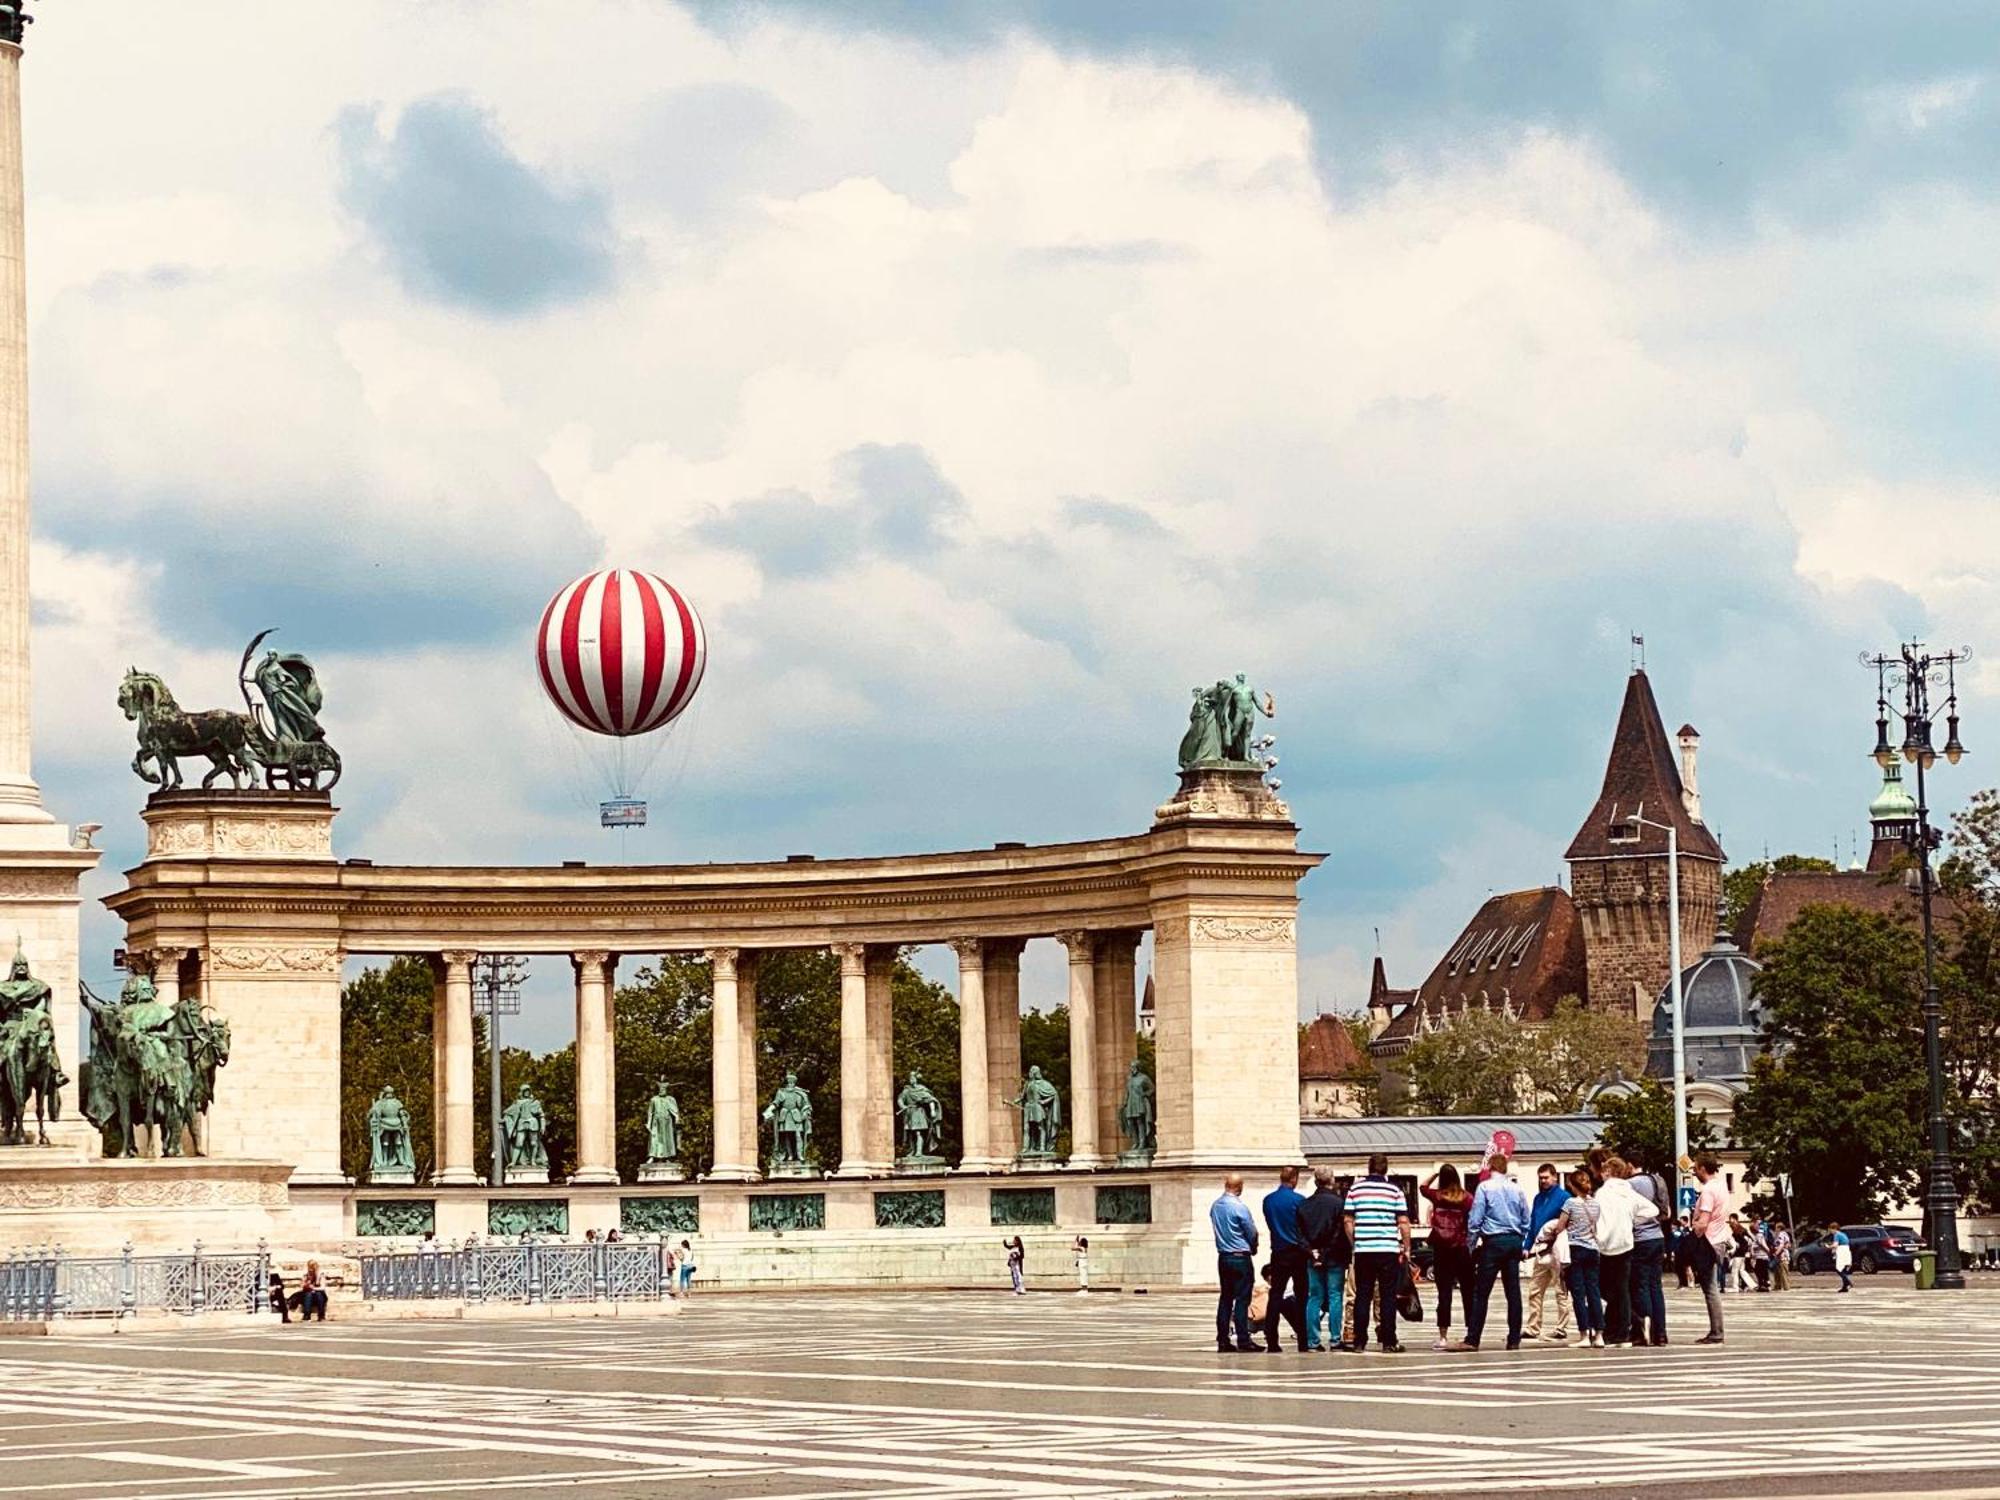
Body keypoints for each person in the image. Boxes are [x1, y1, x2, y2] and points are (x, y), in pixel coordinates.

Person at [1452, 1153, 1530, 1352]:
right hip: (1513, 1240)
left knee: (1482, 1292)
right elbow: (1526, 1219)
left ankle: (1473, 1338)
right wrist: (1520, 1239)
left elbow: (1476, 1219)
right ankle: (1514, 1338)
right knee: (1513, 1292)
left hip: (1493, 1241)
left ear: (1490, 1167)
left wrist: (1470, 1245)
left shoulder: (1484, 1187)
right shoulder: (1517, 1188)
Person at [1343, 1154, 1411, 1353]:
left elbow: (1348, 1221)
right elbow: (1404, 1223)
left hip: (1364, 1250)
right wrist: (1406, 1248)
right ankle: (1389, 1341)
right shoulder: (1395, 1191)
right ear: (1386, 1169)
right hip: (1388, 1249)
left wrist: (1355, 1243)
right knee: (1388, 1296)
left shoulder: (1355, 1189)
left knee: (1363, 1295)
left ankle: (1359, 1341)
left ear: (1369, 1168)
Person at [1532, 1169, 1603, 1346]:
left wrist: (1550, 1236)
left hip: (1575, 1250)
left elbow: (1560, 1226)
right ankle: (1600, 1334)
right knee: (1594, 1292)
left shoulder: (1570, 1203)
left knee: (1578, 1294)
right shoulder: (1595, 1204)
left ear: (1572, 1185)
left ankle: (1584, 1335)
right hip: (1593, 1249)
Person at [1592, 1156, 1658, 1347]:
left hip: (1606, 1246)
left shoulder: (1602, 1193)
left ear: (1607, 1172)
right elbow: (1652, 1210)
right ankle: (1624, 1330)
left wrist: (1598, 1238)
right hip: (1626, 1245)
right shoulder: (1629, 1192)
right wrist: (1633, 1220)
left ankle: (1627, 1327)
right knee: (1621, 1290)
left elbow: (1599, 1218)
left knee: (1604, 1289)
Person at [1420, 1165, 1475, 1351]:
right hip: (1461, 1247)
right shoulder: (1467, 1198)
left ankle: (1443, 1336)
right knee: (1468, 1292)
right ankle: (1471, 1332)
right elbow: (1473, 1219)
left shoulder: (1438, 1196)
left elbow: (1422, 1187)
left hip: (1441, 1249)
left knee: (1444, 1293)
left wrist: (1434, 1173)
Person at [1298, 1166, 1348, 1352]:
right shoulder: (1338, 1203)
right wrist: (1326, 1251)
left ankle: (1312, 1341)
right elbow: (1338, 1231)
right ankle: (1335, 1339)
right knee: (1335, 1296)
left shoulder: (1305, 1204)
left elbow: (1300, 1233)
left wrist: (1312, 1251)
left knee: (1314, 1297)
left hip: (1312, 1256)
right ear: (1331, 1180)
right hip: (1334, 1255)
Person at [1260, 1165, 1309, 1353]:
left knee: (1276, 1295)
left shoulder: (1268, 1200)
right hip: (1297, 1251)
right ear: (1294, 1179)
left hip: (1278, 1251)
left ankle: (1272, 1339)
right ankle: (1303, 1340)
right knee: (1302, 1295)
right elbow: (1303, 1226)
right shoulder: (1299, 1200)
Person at [1523, 1162, 1571, 1343]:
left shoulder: (1564, 1197)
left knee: (1561, 1290)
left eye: (1546, 1177)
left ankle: (1561, 1327)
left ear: (1554, 1177)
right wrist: (1527, 1245)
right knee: (1535, 1289)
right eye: (1540, 1178)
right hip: (1541, 1249)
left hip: (1557, 1249)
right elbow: (1533, 1223)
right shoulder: (1538, 1198)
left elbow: (1566, 1223)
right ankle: (1533, 1326)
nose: (1543, 1181)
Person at [1210, 1175, 1260, 1352]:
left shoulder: (1215, 1206)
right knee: (1242, 1300)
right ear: (1239, 1187)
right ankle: (1243, 1340)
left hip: (1223, 1256)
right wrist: (1253, 1247)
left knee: (1225, 1298)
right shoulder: (1240, 1207)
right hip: (1240, 1256)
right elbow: (1251, 1232)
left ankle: (1223, 1340)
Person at [1688, 1156, 1730, 1344]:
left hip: (1708, 1241)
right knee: (1711, 1286)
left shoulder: (1707, 1191)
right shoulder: (1721, 1187)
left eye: (1695, 1168)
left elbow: (1703, 1222)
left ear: (1703, 1168)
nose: (1694, 1172)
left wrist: (1694, 1229)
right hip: (1719, 1239)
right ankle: (1716, 1330)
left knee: (1710, 1288)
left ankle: (1716, 1331)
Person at [1629, 1166, 1669, 1346]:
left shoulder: (1631, 1184)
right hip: (1658, 1237)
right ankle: (1660, 1333)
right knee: (1656, 1287)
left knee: (1641, 1286)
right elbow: (1666, 1211)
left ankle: (1644, 1326)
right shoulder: (1656, 1180)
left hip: (1641, 1239)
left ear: (1629, 1165)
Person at [1830, 1223, 1854, 1292]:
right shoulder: (1843, 1234)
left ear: (1834, 1229)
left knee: (1838, 1268)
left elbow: (1835, 1245)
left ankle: (1848, 1282)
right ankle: (1845, 1287)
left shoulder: (1836, 1235)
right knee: (1844, 1269)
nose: (1831, 1232)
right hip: (1847, 1250)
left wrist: (1828, 1246)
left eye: (1831, 1230)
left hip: (1841, 1251)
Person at [1771, 1222, 1793, 1291]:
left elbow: (1781, 1245)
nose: (1775, 1229)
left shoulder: (1781, 1234)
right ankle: (1778, 1286)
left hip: (1782, 1256)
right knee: (1778, 1272)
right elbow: (1788, 1244)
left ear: (1779, 1228)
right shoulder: (1785, 1234)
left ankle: (1786, 1287)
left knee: (1783, 1272)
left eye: (1776, 1227)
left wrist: (1776, 1253)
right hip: (1782, 1255)